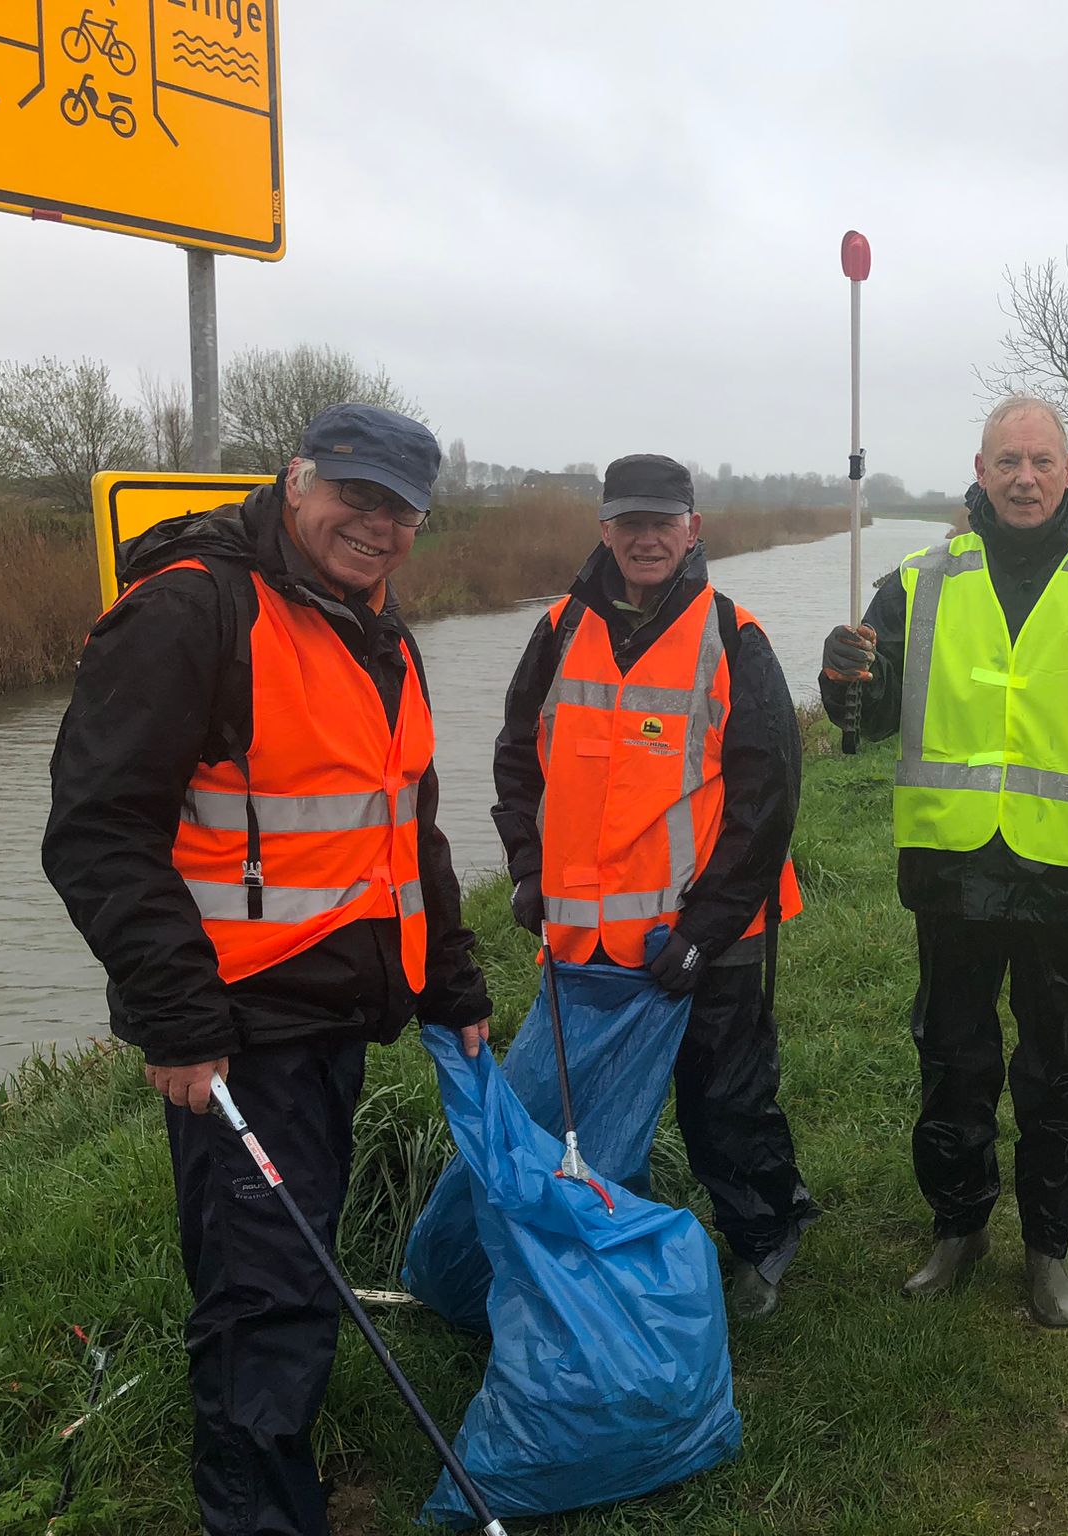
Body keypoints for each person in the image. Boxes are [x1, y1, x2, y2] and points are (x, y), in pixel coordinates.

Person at [42, 403, 493, 1536]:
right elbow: (97, 832)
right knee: (264, 1300)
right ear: (296, 481)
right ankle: (260, 1516)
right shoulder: (192, 610)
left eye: (400, 509)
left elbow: (406, 832)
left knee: (295, 1274)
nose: (376, 524)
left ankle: (282, 1485)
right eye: (355, 495)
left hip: (332, 1017)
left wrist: (451, 982)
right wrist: (179, 1022)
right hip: (240, 1031)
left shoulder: (372, 625)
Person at [820, 396, 1068, 1327]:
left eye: (1042, 461)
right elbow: (872, 709)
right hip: (951, 868)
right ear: (979, 473)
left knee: (1058, 1070)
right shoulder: (915, 581)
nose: (1024, 477)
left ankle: (1048, 1249)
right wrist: (840, 682)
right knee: (953, 1057)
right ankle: (958, 1225)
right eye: (1006, 462)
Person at [492, 453, 816, 1321]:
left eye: (662, 523)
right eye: (628, 522)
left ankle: (763, 1239)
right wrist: (527, 868)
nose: (645, 538)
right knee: (582, 1112)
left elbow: (766, 800)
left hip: (710, 939)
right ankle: (597, 1242)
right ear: (603, 530)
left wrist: (705, 931)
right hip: (584, 941)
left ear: (693, 530)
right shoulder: (558, 627)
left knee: (727, 1102)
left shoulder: (733, 635)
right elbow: (517, 761)